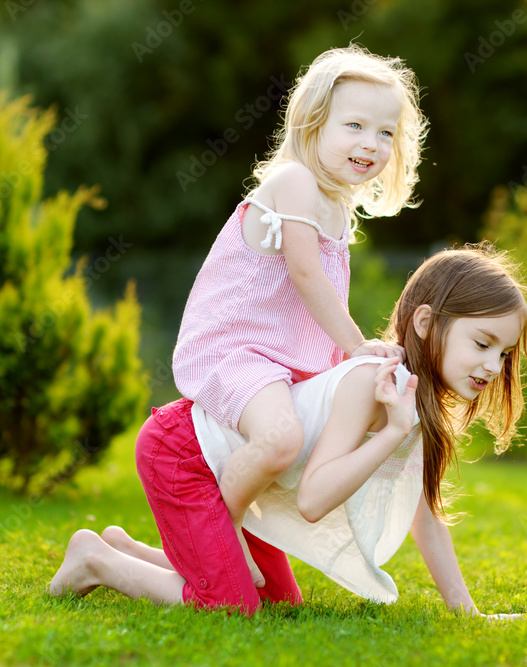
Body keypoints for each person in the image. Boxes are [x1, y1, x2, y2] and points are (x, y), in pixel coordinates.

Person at [49, 245, 527, 618]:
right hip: (187, 454)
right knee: (230, 605)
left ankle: (127, 549)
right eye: (482, 342)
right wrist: (390, 435)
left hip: (245, 480)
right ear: (425, 322)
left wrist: (467, 612)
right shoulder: (371, 385)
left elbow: (425, 517)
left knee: (278, 600)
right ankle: (96, 560)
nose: (492, 365)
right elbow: (312, 499)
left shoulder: (414, 403)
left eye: (502, 354)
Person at [170, 45, 429, 585]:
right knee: (282, 439)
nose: (370, 143)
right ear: (313, 124)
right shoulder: (295, 183)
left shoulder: (337, 207)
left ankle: (122, 550)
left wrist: (347, 374)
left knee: (296, 446)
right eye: (354, 125)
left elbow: (313, 304)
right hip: (234, 350)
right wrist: (357, 345)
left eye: (385, 132)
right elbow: (307, 278)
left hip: (276, 363)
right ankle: (225, 530)